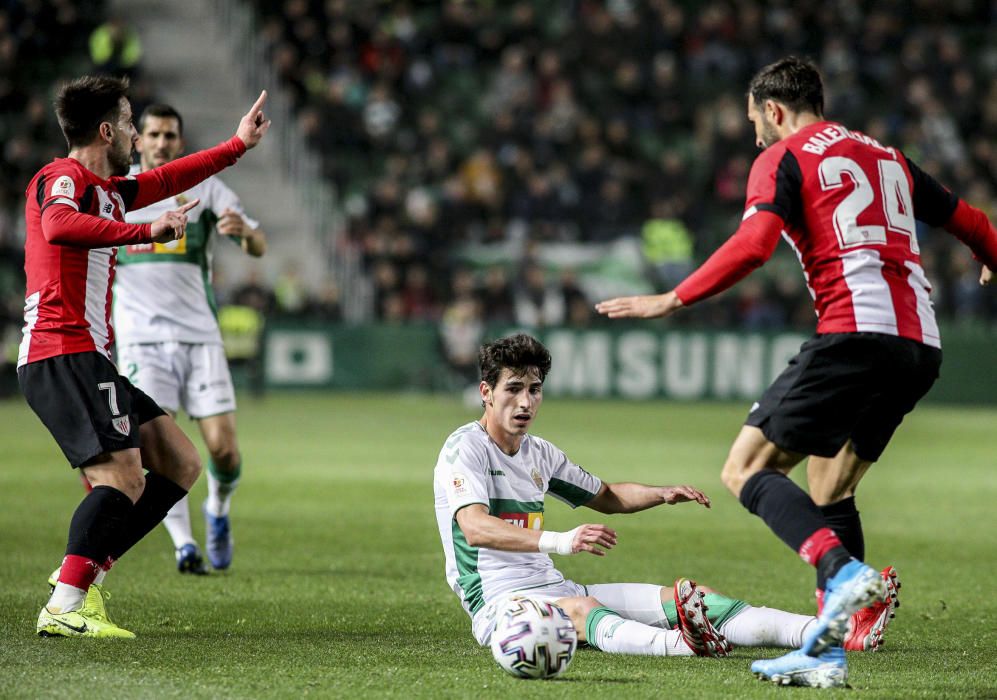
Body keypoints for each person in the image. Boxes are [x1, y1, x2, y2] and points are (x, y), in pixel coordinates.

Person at [596, 56, 997, 687]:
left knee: (745, 469)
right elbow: (973, 222)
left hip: (853, 334)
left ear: (775, 110)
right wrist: (989, 257)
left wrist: (671, 298)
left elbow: (754, 247)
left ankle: (846, 577)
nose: (756, 136)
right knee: (829, 482)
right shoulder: (887, 156)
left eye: (756, 122)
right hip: (920, 346)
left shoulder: (782, 157)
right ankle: (828, 651)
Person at [433, 334, 890, 666]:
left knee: (694, 599)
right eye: (512, 389)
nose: (525, 402)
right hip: (498, 605)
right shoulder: (465, 449)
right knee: (583, 611)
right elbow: (474, 527)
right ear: (486, 393)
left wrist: (661, 494)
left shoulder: (539, 452)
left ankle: (834, 631)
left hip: (556, 587)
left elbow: (607, 496)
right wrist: (561, 541)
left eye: (534, 389)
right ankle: (683, 645)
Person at [19, 75, 269, 638]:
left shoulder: (108, 190)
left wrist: (235, 147)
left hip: (92, 357)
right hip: (62, 349)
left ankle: (83, 568)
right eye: (131, 124)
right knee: (122, 477)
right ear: (106, 131)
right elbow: (58, 226)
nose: (137, 136)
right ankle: (66, 603)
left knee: (181, 463)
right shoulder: (63, 177)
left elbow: (167, 178)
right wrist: (145, 232)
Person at [110, 103, 267, 574]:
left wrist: (244, 234)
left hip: (200, 338)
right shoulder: (121, 193)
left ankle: (217, 508)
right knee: (160, 449)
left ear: (180, 140)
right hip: (141, 343)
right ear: (139, 140)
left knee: (223, 449)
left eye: (170, 135)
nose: (161, 143)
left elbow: (258, 245)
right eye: (153, 134)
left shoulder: (203, 185)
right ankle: (184, 544)